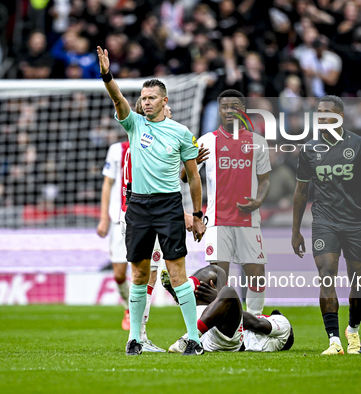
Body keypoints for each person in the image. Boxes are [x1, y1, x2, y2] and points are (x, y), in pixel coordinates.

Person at [97, 46, 206, 356]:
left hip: (169, 205)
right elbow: (117, 98)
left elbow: (193, 177)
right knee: (139, 274)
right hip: (138, 206)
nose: (145, 102)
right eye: (142, 98)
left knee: (177, 273)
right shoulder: (133, 124)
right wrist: (107, 75)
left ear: (164, 101)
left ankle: (193, 339)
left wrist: (197, 214)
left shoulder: (182, 133)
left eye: (151, 98)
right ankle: (134, 339)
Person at [291, 96, 361, 355]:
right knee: (327, 274)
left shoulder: (359, 145)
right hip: (324, 221)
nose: (322, 117)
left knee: (358, 282)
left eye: (327, 113)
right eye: (319, 113)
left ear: (340, 117)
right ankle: (334, 341)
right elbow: (301, 192)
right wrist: (295, 231)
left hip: (356, 221)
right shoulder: (309, 149)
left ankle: (353, 331)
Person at [181, 89, 271, 317]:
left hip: (248, 220)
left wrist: (258, 201)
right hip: (217, 221)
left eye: (235, 106)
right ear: (219, 111)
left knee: (257, 274)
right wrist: (191, 163)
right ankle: (224, 328)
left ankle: (254, 324)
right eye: (225, 107)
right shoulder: (206, 141)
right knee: (219, 278)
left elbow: (265, 181)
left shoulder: (257, 142)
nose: (230, 110)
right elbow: (185, 177)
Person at [96, 100, 174, 352]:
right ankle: (137, 331)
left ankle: (137, 332)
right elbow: (109, 183)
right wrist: (104, 217)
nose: (168, 112)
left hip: (139, 216)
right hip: (137, 216)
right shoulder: (123, 149)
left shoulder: (157, 142)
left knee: (143, 276)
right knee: (133, 275)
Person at [167, 265, 294, 353]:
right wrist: (217, 300)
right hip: (210, 325)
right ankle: (183, 291)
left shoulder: (285, 326)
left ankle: (189, 339)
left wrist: (216, 299)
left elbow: (255, 323)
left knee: (229, 292)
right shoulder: (275, 339)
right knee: (218, 272)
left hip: (230, 340)